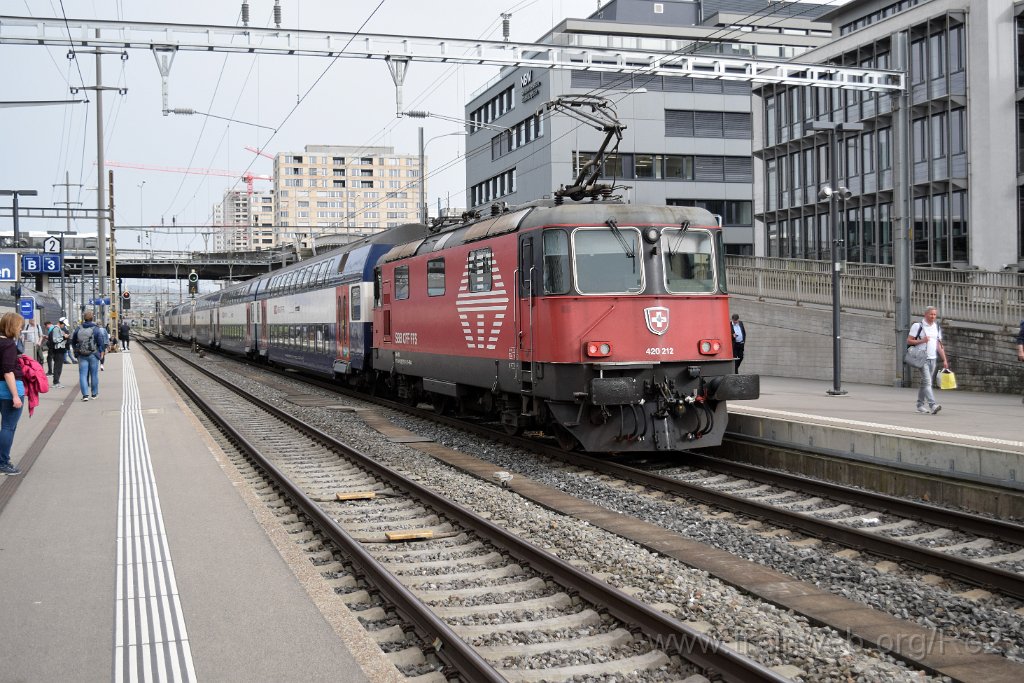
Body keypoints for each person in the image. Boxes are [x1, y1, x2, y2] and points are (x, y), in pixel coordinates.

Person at [907, 306, 948, 415]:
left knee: (924, 382)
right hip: (922, 358)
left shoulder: (936, 327)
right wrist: (922, 340)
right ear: (925, 314)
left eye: (935, 314)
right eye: (931, 314)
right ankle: (933, 405)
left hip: (933, 359)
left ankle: (920, 405)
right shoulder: (918, 326)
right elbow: (909, 341)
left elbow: (939, 345)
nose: (933, 316)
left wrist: (944, 359)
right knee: (928, 382)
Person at [0, 312, 26, 476]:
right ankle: (3, 462)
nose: (21, 329)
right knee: (8, 427)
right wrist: (15, 395)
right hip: (9, 389)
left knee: (5, 427)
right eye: (20, 326)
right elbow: (8, 371)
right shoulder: (8, 345)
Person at [72, 310, 104, 401]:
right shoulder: (96, 329)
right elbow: (100, 342)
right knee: (94, 374)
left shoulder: (78, 328)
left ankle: (85, 395)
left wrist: (76, 350)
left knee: (82, 375)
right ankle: (94, 394)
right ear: (92, 318)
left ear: (84, 318)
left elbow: (73, 341)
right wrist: (101, 352)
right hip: (93, 354)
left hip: (82, 355)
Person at [49, 317, 71, 389]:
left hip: (60, 350)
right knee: (57, 367)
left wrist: (64, 336)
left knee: (59, 366)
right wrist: (64, 337)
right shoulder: (56, 328)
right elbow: (55, 340)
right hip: (58, 350)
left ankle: (57, 381)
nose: (64, 326)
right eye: (64, 324)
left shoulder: (58, 329)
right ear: (61, 323)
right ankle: (56, 382)